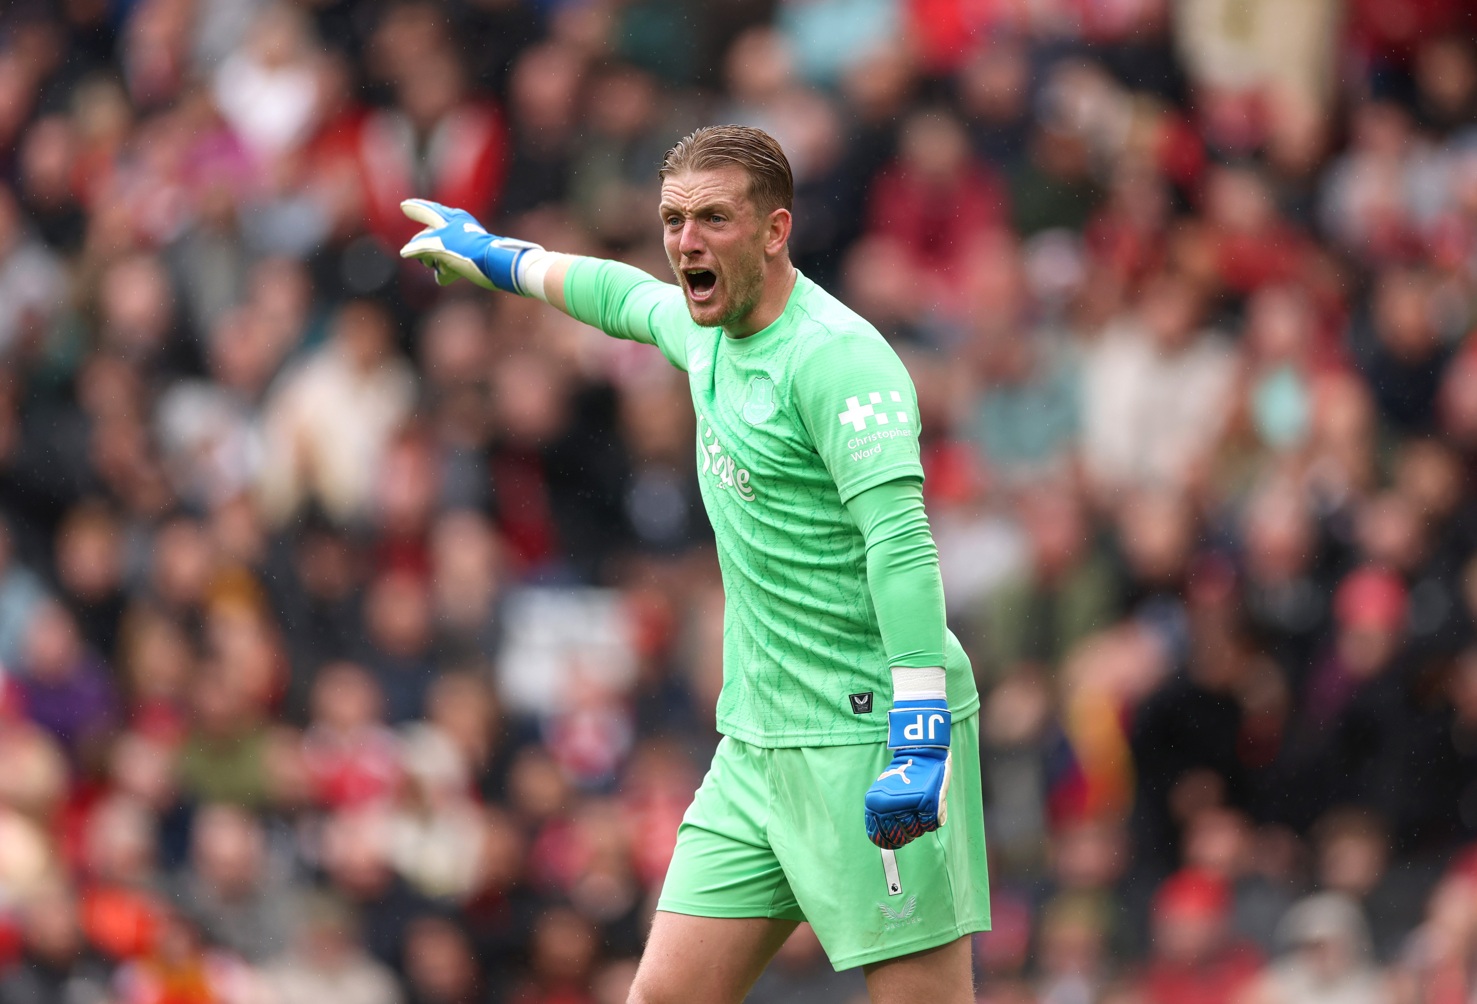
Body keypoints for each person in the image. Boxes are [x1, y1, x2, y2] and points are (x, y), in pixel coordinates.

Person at [399, 124, 988, 1003]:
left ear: (774, 230)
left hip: (870, 741)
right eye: (674, 219)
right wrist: (494, 256)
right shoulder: (704, 327)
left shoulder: (840, 362)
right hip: (754, 750)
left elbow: (900, 544)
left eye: (712, 218)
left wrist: (919, 727)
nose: (685, 242)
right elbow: (618, 295)